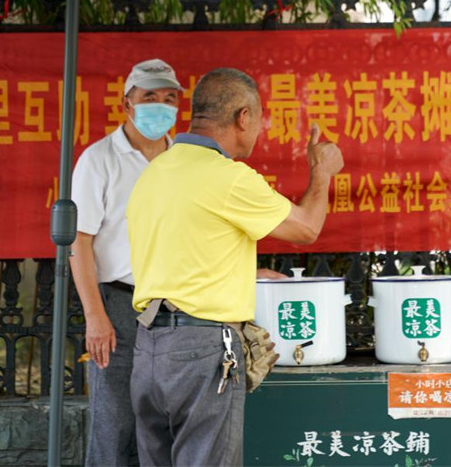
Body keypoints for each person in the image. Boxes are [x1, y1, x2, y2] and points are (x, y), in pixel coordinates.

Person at [126, 67, 344, 466]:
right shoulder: (227, 177)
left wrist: (242, 273)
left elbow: (183, 253)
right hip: (200, 351)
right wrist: (322, 172)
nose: (259, 130)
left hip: (149, 349)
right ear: (243, 117)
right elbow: (306, 227)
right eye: (259, 119)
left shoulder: (155, 172)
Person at [70, 58, 183, 467]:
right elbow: (79, 241)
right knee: (114, 421)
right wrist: (95, 317)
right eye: (149, 97)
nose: (160, 106)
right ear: (127, 104)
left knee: (166, 423)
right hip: (119, 305)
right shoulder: (100, 159)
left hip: (179, 307)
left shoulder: (183, 160)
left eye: (169, 98)